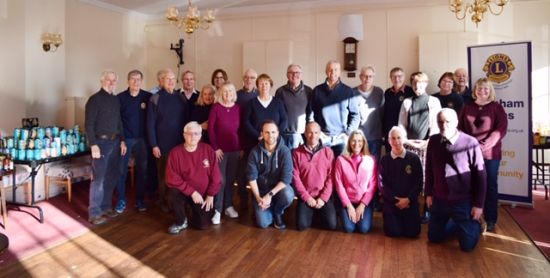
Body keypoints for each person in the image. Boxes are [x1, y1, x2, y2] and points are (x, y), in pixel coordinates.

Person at [425, 108, 487, 252]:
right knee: (434, 238)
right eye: (440, 122)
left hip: (463, 201)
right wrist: (428, 193)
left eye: (447, 122)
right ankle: (457, 223)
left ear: (456, 122)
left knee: (467, 246)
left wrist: (478, 205)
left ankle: (475, 223)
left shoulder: (470, 143)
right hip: (440, 200)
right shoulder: (433, 140)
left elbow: (481, 176)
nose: (443, 125)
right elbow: (429, 169)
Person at [458, 78, 508, 232]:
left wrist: (486, 145)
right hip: (469, 153)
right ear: (475, 90)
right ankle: (472, 216)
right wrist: (472, 145)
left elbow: (501, 129)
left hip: (490, 154)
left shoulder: (496, 107)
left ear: (490, 90)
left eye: (486, 88)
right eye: (480, 88)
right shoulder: (467, 106)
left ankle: (491, 219)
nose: (482, 91)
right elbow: (459, 128)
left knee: (490, 186)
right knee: (470, 185)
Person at [398, 72, 441, 223]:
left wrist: (428, 142)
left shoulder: (434, 101)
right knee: (410, 178)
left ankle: (428, 211)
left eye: (421, 83)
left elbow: (437, 126)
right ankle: (411, 208)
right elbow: (401, 124)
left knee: (427, 178)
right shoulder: (407, 102)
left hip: (427, 146)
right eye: (415, 83)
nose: (417, 86)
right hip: (410, 146)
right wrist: (406, 141)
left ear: (426, 83)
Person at [84, 70, 127, 225]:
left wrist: (122, 140)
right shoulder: (94, 100)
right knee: (98, 179)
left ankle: (106, 207)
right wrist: (93, 145)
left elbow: (119, 122)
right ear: (102, 81)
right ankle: (94, 213)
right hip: (101, 144)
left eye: (114, 80)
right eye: (109, 80)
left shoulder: (115, 100)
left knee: (111, 177)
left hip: (115, 143)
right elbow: (88, 124)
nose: (112, 82)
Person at [165, 122, 221, 233]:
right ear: (184, 135)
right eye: (189, 133)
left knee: (202, 225)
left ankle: (205, 212)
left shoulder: (208, 150)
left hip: (203, 194)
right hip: (184, 192)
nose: (193, 137)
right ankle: (181, 221)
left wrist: (210, 194)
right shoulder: (175, 153)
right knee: (173, 192)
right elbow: (171, 178)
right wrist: (192, 192)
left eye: (196, 134)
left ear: (200, 136)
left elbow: (216, 176)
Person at [147, 69, 187, 212]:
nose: (170, 81)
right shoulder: (155, 98)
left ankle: (178, 201)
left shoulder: (180, 97)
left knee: (180, 174)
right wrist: (154, 145)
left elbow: (186, 120)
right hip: (162, 145)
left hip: (180, 144)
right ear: (161, 81)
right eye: (167, 79)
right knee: (164, 175)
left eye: (172, 79)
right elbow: (150, 124)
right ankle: (164, 202)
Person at [116, 70, 152, 213]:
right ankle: (121, 200)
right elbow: (117, 121)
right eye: (133, 79)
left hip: (142, 140)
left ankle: (140, 200)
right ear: (128, 81)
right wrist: (122, 140)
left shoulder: (147, 97)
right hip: (126, 140)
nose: (136, 82)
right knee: (121, 171)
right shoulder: (120, 98)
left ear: (141, 81)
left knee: (142, 171)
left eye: (138, 79)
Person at [247, 120, 295, 229]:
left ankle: (278, 212)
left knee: (288, 193)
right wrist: (259, 198)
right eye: (267, 132)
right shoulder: (254, 152)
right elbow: (251, 178)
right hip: (261, 191)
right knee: (263, 224)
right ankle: (262, 208)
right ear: (262, 134)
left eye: (273, 132)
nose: (270, 135)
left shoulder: (285, 151)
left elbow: (286, 179)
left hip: (278, 191)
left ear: (278, 133)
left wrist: (270, 195)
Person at [292, 121, 337, 231]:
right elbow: (295, 178)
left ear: (320, 133)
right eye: (310, 132)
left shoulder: (328, 152)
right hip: (306, 197)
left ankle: (316, 213)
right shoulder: (297, 153)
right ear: (305, 134)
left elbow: (331, 178)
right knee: (302, 226)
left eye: (316, 132)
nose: (313, 136)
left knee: (331, 225)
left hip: (323, 196)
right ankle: (312, 213)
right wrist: (307, 198)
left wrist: (323, 198)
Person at [310, 60, 360, 156]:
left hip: (341, 137)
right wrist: (316, 133)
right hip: (322, 137)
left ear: (340, 72)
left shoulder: (348, 91)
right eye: (330, 70)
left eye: (336, 70)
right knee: (323, 168)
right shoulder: (317, 90)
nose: (333, 72)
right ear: (326, 72)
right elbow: (310, 114)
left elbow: (355, 115)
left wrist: (348, 133)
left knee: (340, 168)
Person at [379, 126, 422, 237]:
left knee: (412, 233)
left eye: (399, 137)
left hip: (409, 202)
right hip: (392, 203)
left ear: (404, 139)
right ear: (389, 141)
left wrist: (408, 199)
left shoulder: (414, 159)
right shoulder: (384, 160)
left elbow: (419, 182)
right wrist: (395, 199)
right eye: (393, 138)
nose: (396, 141)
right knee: (394, 233)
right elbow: (382, 185)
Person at [208, 82, 241, 224]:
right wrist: (215, 148)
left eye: (230, 92)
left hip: (235, 150)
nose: (228, 94)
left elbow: (241, 131)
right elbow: (210, 129)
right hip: (220, 151)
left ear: (234, 94)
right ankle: (217, 210)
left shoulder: (238, 108)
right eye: (225, 92)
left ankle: (228, 206)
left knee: (230, 179)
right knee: (220, 180)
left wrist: (241, 148)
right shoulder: (216, 108)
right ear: (221, 93)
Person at [334, 130, 378, 234]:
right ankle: (347, 214)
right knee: (349, 229)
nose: (356, 144)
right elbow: (339, 185)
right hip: (347, 201)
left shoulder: (371, 160)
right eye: (353, 141)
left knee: (364, 229)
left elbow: (373, 185)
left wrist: (362, 204)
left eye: (359, 141)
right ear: (349, 142)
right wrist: (348, 206)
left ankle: (363, 215)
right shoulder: (340, 160)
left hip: (364, 201)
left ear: (364, 142)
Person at [243, 73, 288, 153]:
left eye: (266, 83)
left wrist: (275, 135)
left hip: (274, 142)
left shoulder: (278, 102)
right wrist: (259, 135)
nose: (264, 86)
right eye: (261, 84)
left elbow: (284, 120)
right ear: (257, 86)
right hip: (255, 142)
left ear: (270, 85)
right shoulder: (251, 103)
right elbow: (246, 122)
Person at [236, 68, 259, 211]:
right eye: (246, 77)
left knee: (256, 172)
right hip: (241, 138)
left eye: (252, 77)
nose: (249, 80)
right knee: (241, 173)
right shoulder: (236, 95)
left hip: (258, 138)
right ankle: (243, 200)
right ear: (243, 79)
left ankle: (256, 199)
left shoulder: (260, 94)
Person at [275, 63, 313, 150]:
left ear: (301, 75)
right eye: (291, 72)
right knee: (286, 161)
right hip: (285, 134)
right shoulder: (280, 91)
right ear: (287, 75)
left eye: (297, 72)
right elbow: (277, 113)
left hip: (303, 135)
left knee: (300, 161)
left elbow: (310, 112)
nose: (294, 75)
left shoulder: (309, 91)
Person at [354, 65, 384, 161]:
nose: (367, 79)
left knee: (374, 164)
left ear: (373, 78)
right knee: (359, 164)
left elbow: (383, 113)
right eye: (365, 76)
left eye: (370, 76)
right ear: (360, 77)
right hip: (358, 137)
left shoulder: (379, 92)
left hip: (375, 136)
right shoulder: (352, 92)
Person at [382, 67, 415, 152]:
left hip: (404, 132)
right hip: (389, 131)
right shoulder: (387, 92)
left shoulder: (411, 91)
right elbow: (385, 113)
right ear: (390, 78)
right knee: (390, 157)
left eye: (400, 76)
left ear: (404, 77)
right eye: (394, 76)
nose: (397, 79)